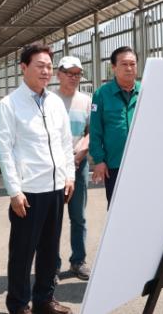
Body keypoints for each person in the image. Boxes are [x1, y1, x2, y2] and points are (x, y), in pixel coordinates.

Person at [0, 43, 75, 314]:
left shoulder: (55, 102)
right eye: (40, 66)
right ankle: (19, 304)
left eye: (49, 67)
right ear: (24, 67)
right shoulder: (9, 104)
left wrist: (69, 176)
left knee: (50, 250)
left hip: (56, 188)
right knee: (22, 252)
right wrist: (14, 191)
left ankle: (44, 300)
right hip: (28, 191)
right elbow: (4, 150)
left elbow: (65, 142)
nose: (46, 71)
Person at [54, 56, 91, 281]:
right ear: (58, 74)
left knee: (78, 216)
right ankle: (52, 266)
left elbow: (90, 132)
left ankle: (78, 261)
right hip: (54, 167)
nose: (74, 77)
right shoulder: (49, 100)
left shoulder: (86, 101)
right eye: (69, 73)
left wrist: (79, 155)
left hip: (79, 164)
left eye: (77, 73)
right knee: (53, 219)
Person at [89, 46, 140, 206]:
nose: (129, 68)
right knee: (117, 208)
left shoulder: (146, 91)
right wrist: (99, 160)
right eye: (124, 64)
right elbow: (95, 131)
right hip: (114, 164)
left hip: (143, 162)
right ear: (113, 67)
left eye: (132, 64)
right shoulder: (101, 94)